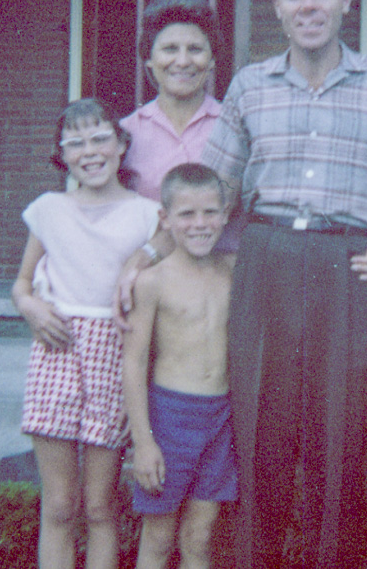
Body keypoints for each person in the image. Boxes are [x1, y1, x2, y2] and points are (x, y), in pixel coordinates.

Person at [199, 0, 367, 568]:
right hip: (266, 257)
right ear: (276, 6)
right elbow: (211, 190)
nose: (309, 6)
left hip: (346, 265)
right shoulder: (250, 85)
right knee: (260, 432)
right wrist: (148, 255)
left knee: (340, 433)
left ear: (347, 0)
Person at [12, 98, 160, 569]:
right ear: (63, 155)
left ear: (121, 146)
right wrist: (30, 305)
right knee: (58, 505)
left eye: (99, 139)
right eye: (75, 144)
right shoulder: (48, 210)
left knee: (100, 507)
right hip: (57, 350)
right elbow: (20, 283)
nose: (89, 151)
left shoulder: (148, 215)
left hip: (116, 355)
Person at [123, 163, 237, 569]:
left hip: (221, 417)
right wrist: (144, 441)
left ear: (226, 214)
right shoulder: (152, 281)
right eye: (186, 214)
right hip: (171, 417)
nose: (200, 224)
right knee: (158, 536)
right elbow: (133, 363)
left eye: (210, 212)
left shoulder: (234, 271)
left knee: (200, 536)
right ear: (165, 219)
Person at [120, 0, 224, 203]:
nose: (183, 61)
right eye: (170, 49)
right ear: (148, 58)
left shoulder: (234, 127)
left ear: (212, 59)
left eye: (195, 49)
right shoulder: (126, 133)